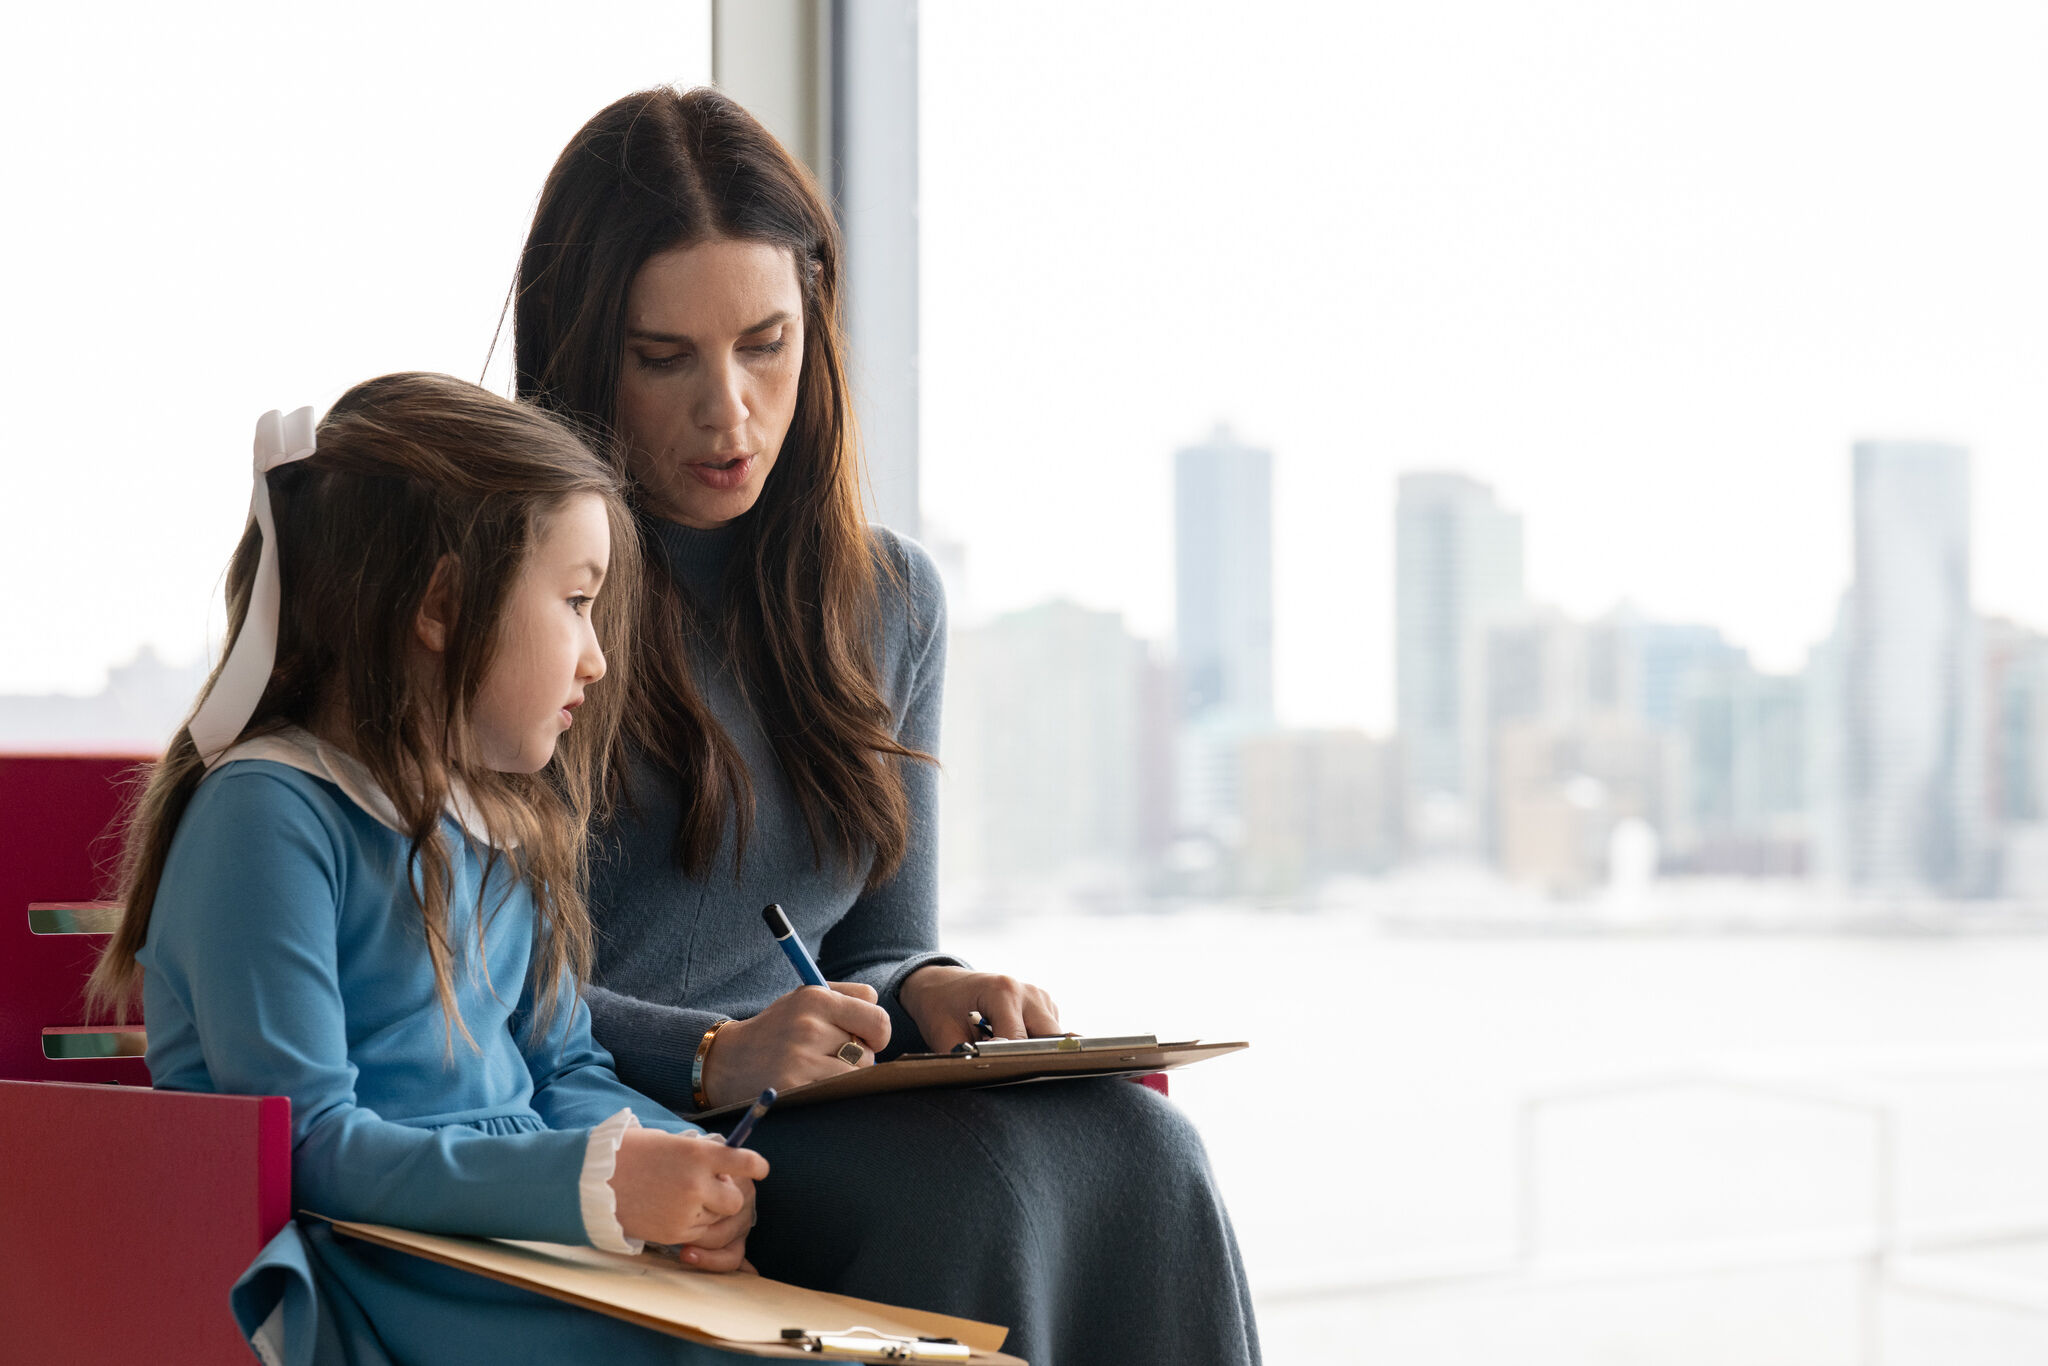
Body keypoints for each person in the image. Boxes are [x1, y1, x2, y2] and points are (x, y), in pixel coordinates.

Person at [513, 87, 1261, 1365]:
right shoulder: (517, 606)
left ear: (818, 323)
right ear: (583, 354)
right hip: (612, 1125)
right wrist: (714, 1050)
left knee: (1145, 1146)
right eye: (663, 358)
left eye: (765, 343)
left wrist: (932, 991)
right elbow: (464, 982)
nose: (729, 412)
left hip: (814, 1105)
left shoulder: (889, 598)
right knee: (972, 1182)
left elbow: (877, 946)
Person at [88, 373, 768, 1366]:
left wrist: (680, 1167)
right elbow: (309, 1146)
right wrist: (593, 1185)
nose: (596, 659)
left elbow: (561, 1066)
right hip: (373, 1265)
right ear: (444, 604)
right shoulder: (268, 814)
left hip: (509, 1243)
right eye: (576, 602)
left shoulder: (500, 820)